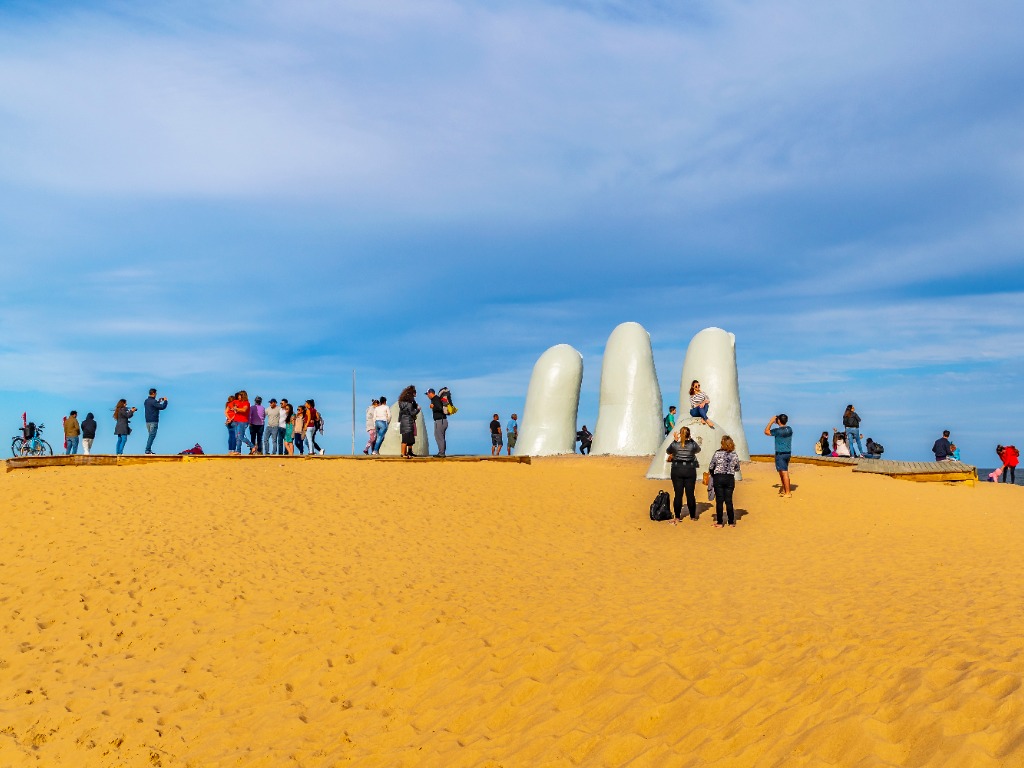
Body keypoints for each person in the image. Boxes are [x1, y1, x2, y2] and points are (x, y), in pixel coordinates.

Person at [666, 425, 701, 521]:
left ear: (680, 434)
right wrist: (691, 439)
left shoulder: (675, 445)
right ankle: (693, 516)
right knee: (690, 494)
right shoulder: (692, 445)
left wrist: (675, 440)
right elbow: (698, 449)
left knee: (678, 494)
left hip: (677, 469)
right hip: (690, 469)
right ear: (688, 434)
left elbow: (668, 451)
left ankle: (677, 517)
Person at [708, 435, 741, 527]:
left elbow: (711, 466)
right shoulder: (734, 454)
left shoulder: (717, 453)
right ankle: (731, 522)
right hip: (729, 478)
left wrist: (712, 473)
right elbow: (737, 468)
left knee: (719, 500)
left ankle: (720, 522)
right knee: (729, 500)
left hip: (719, 477)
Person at [765, 414, 793, 497]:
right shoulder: (789, 429)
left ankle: (788, 492)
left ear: (779, 421)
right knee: (782, 472)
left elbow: (766, 431)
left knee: (784, 473)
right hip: (787, 453)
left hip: (780, 453)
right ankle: (785, 490)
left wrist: (771, 422)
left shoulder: (777, 431)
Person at [142, 388, 169, 455]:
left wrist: (158, 401)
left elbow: (153, 406)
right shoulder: (153, 402)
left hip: (147, 421)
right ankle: (147, 450)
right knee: (152, 435)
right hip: (153, 420)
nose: (156, 394)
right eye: (156, 393)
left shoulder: (146, 401)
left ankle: (149, 450)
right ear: (153, 393)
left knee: (150, 435)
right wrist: (165, 401)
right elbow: (162, 407)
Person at [398, 386, 420, 458]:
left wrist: (400, 421)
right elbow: (412, 413)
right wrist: (418, 410)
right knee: (406, 439)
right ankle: (403, 454)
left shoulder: (402, 404)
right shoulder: (409, 404)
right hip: (408, 422)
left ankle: (404, 453)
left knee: (405, 438)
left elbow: (400, 414)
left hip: (403, 422)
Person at [426, 388, 448, 457]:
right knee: (440, 437)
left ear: (430, 393)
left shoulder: (435, 399)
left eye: (427, 394)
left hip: (440, 421)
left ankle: (441, 453)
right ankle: (441, 452)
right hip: (442, 421)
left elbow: (440, 408)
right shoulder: (437, 399)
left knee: (439, 437)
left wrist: (433, 407)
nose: (427, 396)